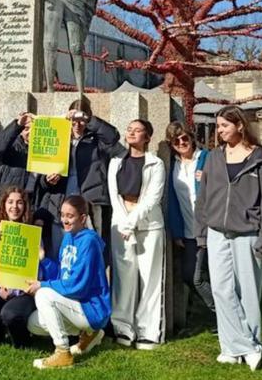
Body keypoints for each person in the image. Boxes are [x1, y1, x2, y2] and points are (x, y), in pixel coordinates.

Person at [195, 105, 262, 370]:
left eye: (224, 126)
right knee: (221, 290)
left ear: (240, 126)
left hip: (249, 234)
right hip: (217, 232)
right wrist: (201, 233)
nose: (219, 131)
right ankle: (237, 346)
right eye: (218, 126)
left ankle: (245, 345)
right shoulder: (213, 158)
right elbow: (204, 197)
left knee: (248, 293)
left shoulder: (259, 160)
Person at [26, 195, 110, 369]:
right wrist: (44, 259)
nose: (65, 220)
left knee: (43, 294)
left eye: (70, 216)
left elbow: (77, 285)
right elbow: (62, 275)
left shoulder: (89, 242)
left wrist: (42, 285)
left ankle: (63, 353)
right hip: (76, 304)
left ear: (83, 218)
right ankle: (88, 335)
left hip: (91, 307)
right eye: (63, 215)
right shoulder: (68, 237)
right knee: (34, 323)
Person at [0, 187, 57, 348]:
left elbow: (37, 271)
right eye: (10, 202)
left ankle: (22, 344)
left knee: (10, 314)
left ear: (25, 206)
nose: (14, 207)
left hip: (24, 292)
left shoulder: (32, 232)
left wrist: (16, 291)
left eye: (19, 202)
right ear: (4, 205)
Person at [35, 98, 120, 259]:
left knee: (88, 253)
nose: (77, 124)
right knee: (60, 252)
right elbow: (41, 175)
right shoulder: (58, 138)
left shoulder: (95, 139)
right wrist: (47, 180)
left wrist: (91, 120)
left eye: (82, 120)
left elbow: (113, 136)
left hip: (89, 202)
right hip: (60, 201)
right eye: (74, 119)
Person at [108, 119, 165, 350]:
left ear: (148, 137)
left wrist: (132, 223)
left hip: (149, 227)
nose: (131, 132)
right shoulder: (115, 162)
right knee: (124, 278)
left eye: (137, 130)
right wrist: (124, 222)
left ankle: (148, 331)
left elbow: (153, 198)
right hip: (121, 223)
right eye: (129, 129)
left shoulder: (156, 163)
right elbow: (114, 194)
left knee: (149, 279)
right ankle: (123, 327)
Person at [165, 121, 216, 322]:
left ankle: (222, 316)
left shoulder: (206, 158)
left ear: (192, 138)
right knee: (189, 276)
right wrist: (177, 232)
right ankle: (221, 313)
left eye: (184, 138)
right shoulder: (174, 165)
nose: (181, 142)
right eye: (176, 140)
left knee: (198, 277)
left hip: (208, 228)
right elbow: (172, 202)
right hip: (188, 231)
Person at [0, 112, 42, 207]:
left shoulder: (45, 151)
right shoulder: (13, 147)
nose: (30, 132)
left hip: (31, 204)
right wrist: (17, 125)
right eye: (26, 129)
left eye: (34, 128)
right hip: (8, 203)